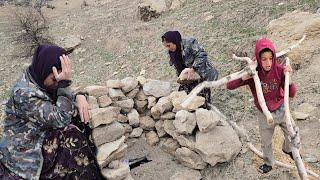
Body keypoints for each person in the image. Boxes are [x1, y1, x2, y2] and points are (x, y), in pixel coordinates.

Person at [0, 45, 104, 179]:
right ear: (43, 70)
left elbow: (64, 101)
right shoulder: (23, 94)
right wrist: (64, 84)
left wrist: (79, 95)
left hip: (41, 134)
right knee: (70, 133)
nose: (56, 84)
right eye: (55, 80)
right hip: (25, 151)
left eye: (58, 80)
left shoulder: (40, 81)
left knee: (77, 125)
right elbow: (61, 118)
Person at [226, 38, 297, 173]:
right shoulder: (253, 71)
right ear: (258, 58)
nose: (268, 63)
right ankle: (269, 163)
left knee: (292, 133)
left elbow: (292, 93)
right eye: (264, 59)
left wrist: (289, 78)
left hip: (281, 109)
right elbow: (229, 85)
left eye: (271, 58)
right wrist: (244, 77)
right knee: (266, 142)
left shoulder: (279, 69)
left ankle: (287, 150)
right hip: (264, 115)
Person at [161, 31, 219, 109]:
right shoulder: (172, 53)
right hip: (188, 77)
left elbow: (202, 54)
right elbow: (178, 68)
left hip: (201, 73)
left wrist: (193, 68)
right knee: (185, 99)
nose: (168, 48)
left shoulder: (190, 43)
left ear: (174, 41)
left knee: (202, 102)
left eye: (169, 45)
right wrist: (181, 78)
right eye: (166, 46)